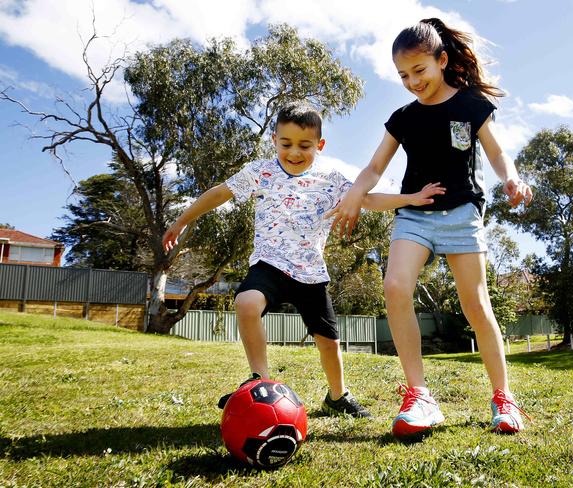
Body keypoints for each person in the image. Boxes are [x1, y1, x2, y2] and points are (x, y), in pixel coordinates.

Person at [162, 101, 446, 418]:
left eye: (304, 145)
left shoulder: (331, 179)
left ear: (320, 145)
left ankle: (338, 397)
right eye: (286, 144)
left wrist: (410, 198)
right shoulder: (261, 172)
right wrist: (181, 220)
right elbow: (220, 193)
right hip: (269, 265)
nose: (294, 152)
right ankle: (260, 379)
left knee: (328, 342)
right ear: (274, 140)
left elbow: (367, 199)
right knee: (246, 302)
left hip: (310, 273)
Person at [327, 19, 533, 436]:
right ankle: (419, 396)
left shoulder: (471, 105)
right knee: (395, 287)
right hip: (415, 216)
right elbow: (373, 167)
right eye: (403, 75)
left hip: (461, 214)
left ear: (441, 61)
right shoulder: (403, 118)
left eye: (419, 71)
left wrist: (511, 177)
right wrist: (354, 194)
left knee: (476, 306)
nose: (412, 81)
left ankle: (504, 400)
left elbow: (496, 154)